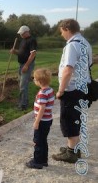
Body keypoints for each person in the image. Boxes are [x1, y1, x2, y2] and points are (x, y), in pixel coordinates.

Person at [52, 18, 92, 163]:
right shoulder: (85, 42)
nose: (62, 34)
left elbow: (68, 70)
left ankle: (71, 153)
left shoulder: (72, 46)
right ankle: (74, 148)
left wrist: (61, 90)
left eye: (62, 31)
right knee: (75, 118)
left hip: (72, 89)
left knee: (69, 119)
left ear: (67, 29)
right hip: (81, 87)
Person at [26, 68, 54, 169]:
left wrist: (37, 122)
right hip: (48, 120)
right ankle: (43, 160)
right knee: (43, 140)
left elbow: (42, 108)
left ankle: (37, 162)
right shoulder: (50, 90)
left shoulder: (42, 93)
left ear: (40, 81)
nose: (34, 81)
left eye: (35, 79)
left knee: (38, 141)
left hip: (42, 121)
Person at [10, 25, 37, 110]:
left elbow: (33, 54)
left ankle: (23, 105)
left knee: (23, 85)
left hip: (27, 65)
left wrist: (26, 65)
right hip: (21, 64)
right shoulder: (23, 40)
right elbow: (22, 52)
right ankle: (23, 101)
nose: (20, 35)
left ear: (26, 32)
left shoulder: (32, 40)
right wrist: (15, 52)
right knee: (21, 84)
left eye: (21, 33)